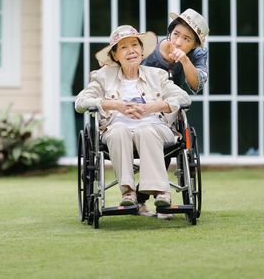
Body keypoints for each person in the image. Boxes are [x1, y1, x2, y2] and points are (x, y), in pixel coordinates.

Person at [75, 25, 191, 209]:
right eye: (123, 47)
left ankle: (162, 192)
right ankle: (128, 192)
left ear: (142, 50)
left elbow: (183, 98)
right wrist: (116, 105)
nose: (131, 51)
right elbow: (81, 102)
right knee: (118, 131)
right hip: (117, 128)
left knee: (146, 130)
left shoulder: (158, 75)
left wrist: (150, 107)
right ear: (115, 55)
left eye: (135, 45)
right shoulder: (103, 77)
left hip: (156, 127)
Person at [138, 8, 209, 219]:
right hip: (139, 105)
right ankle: (145, 196)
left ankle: (152, 197)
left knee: (168, 139)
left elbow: (197, 85)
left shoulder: (198, 54)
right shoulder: (150, 48)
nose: (178, 42)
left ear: (195, 45)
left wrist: (185, 61)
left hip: (168, 109)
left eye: (186, 39)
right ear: (170, 32)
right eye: (176, 34)